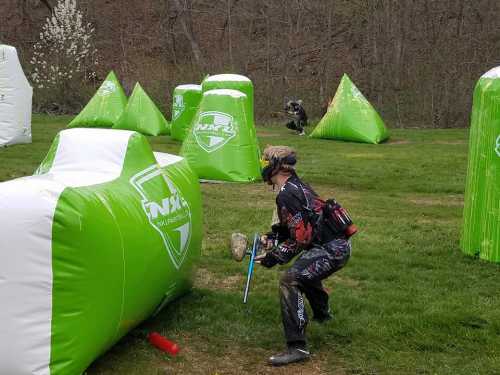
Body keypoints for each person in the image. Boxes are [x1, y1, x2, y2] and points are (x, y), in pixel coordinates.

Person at [255, 145, 353, 366]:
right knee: (305, 271)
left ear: (275, 167)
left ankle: (297, 346)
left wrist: (273, 258)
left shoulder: (288, 194)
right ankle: (323, 315)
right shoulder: (295, 185)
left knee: (290, 279)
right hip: (335, 245)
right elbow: (296, 227)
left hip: (332, 250)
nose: (262, 166)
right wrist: (270, 238)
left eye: (264, 162)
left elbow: (301, 238)